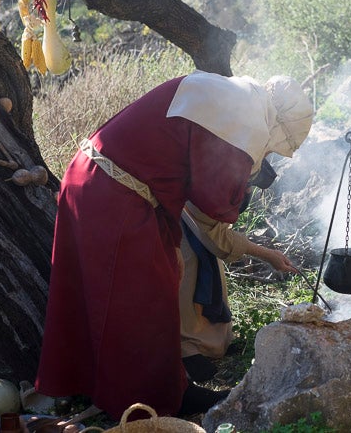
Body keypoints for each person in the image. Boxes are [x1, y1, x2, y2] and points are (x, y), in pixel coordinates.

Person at [35, 71, 314, 420]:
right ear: (280, 125)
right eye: (274, 145)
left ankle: (121, 389)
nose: (267, 151)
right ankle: (147, 406)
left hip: (96, 180)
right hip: (116, 196)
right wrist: (238, 195)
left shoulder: (230, 92)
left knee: (105, 296)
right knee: (142, 304)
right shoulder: (248, 117)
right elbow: (215, 203)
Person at [179, 162, 296, 382]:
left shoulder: (234, 165)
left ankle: (216, 340)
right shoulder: (214, 174)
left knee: (210, 264)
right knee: (189, 264)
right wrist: (267, 254)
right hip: (174, 209)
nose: (249, 190)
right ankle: (188, 350)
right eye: (248, 186)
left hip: (198, 218)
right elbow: (217, 237)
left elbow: (216, 233)